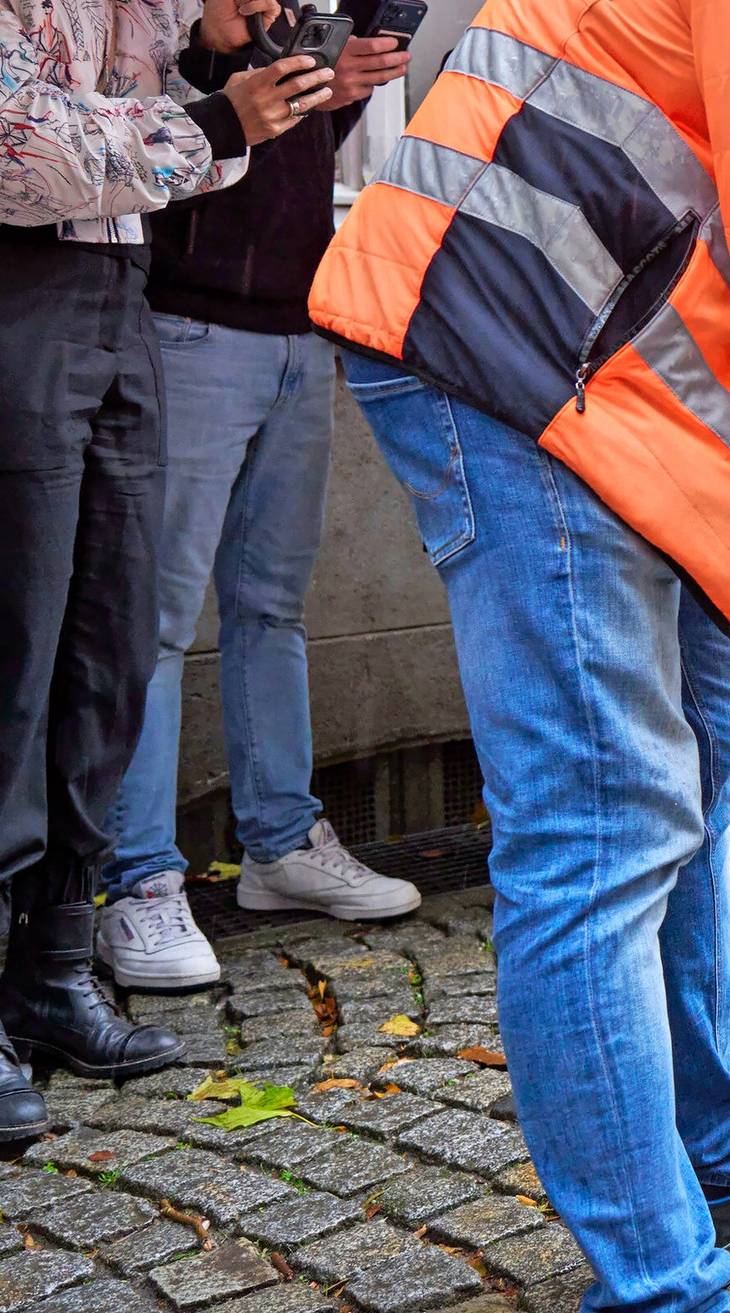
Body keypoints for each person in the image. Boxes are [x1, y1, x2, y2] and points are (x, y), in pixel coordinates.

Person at [307, 2, 730, 1309]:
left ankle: (716, 1154)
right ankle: (662, 1289)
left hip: (612, 369)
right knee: (602, 822)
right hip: (531, 355)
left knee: (702, 757)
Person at [0, 0, 333, 1137]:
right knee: (17, 655)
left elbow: (152, 144)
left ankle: (50, 971)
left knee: (103, 651)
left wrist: (218, 47)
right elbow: (13, 145)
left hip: (114, 294)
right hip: (20, 287)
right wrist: (214, 124)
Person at [94, 2, 421, 994]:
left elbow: (296, 154)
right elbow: (140, 135)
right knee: (149, 617)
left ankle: (279, 842)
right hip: (191, 325)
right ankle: (138, 878)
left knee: (273, 606)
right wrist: (214, 55)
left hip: (298, 317)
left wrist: (345, 92)